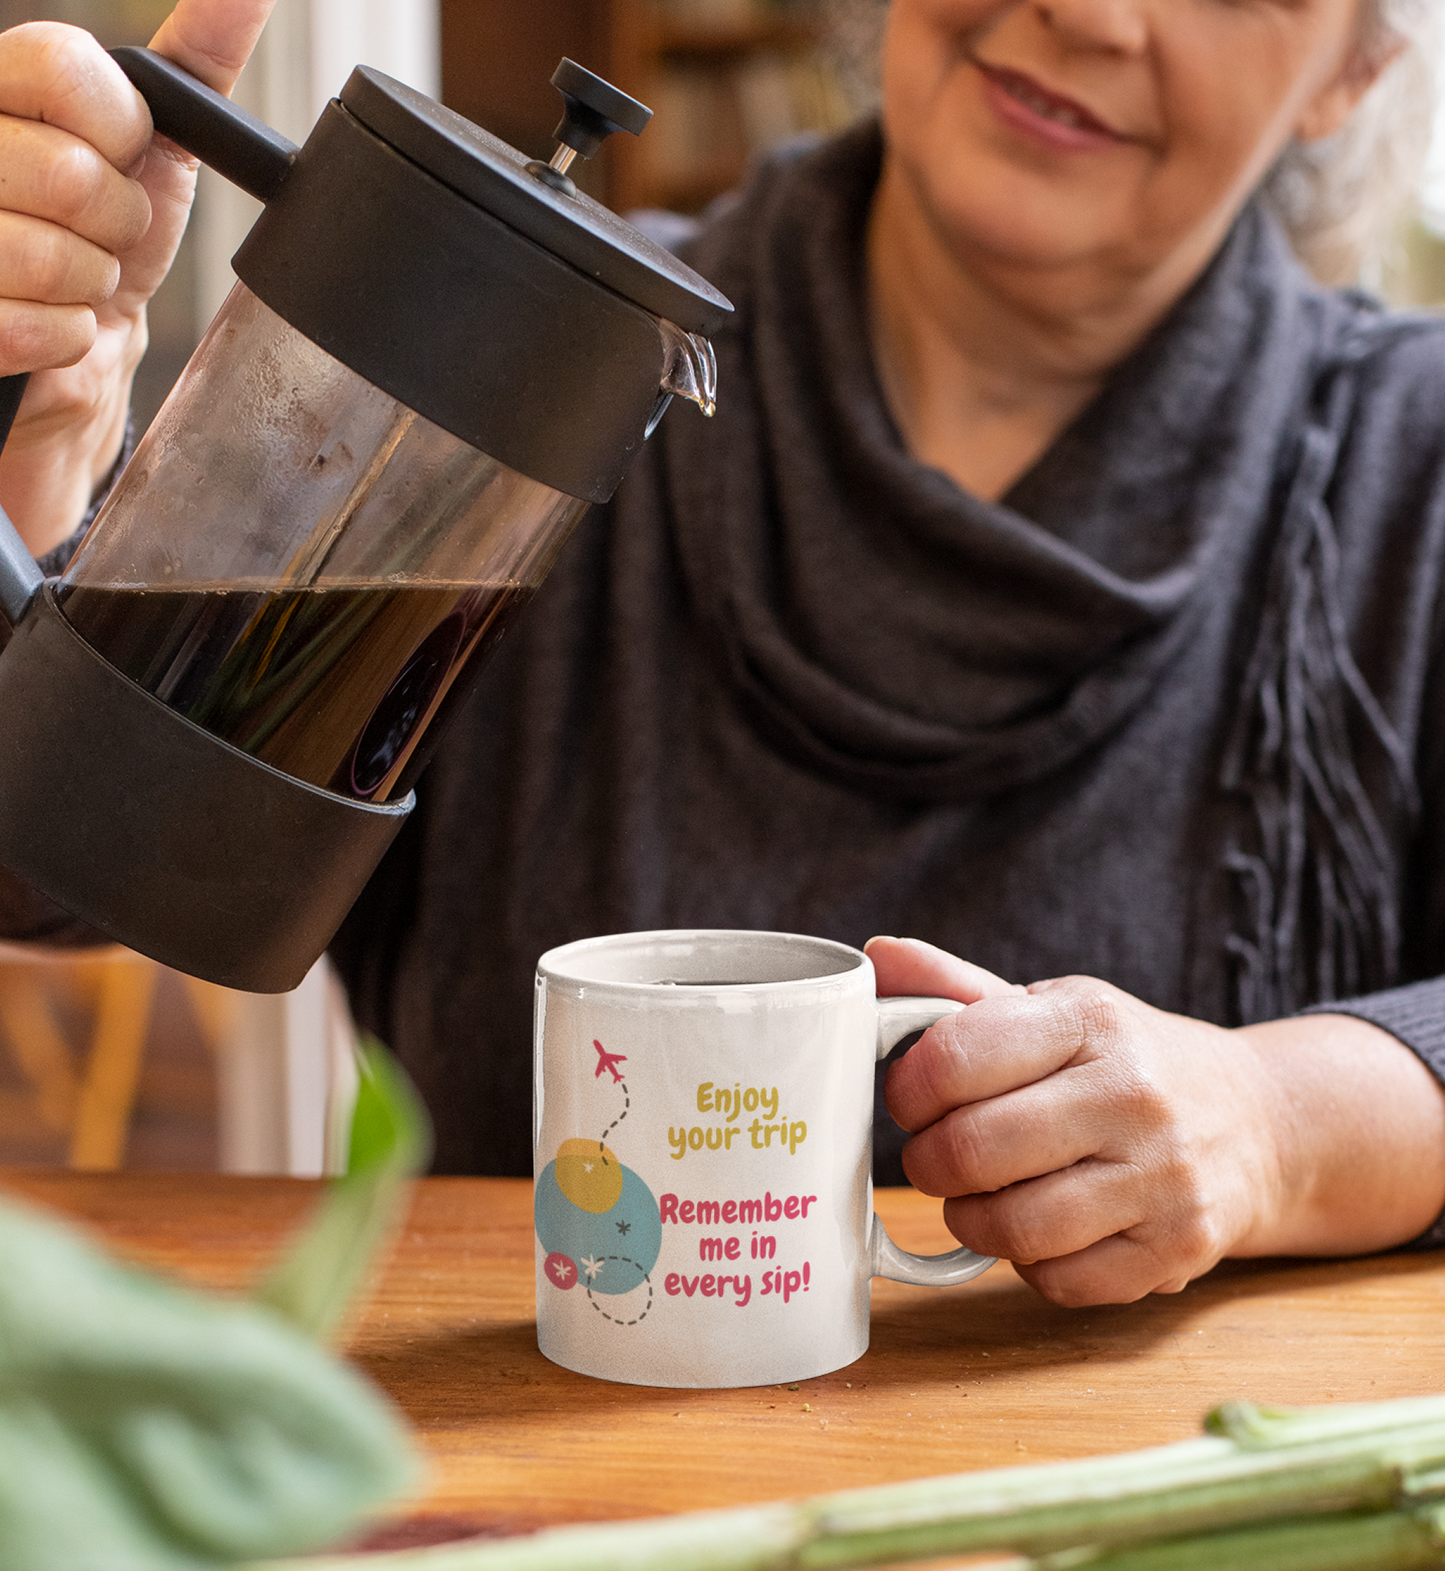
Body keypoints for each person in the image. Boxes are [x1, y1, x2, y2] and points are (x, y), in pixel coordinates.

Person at [1, 0, 1444, 1308]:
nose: (1085, 11)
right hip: (526, 1502)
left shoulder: (1411, 469)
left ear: (1356, 69)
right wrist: (40, 474)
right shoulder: (537, 362)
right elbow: (57, 850)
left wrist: (1277, 1121)